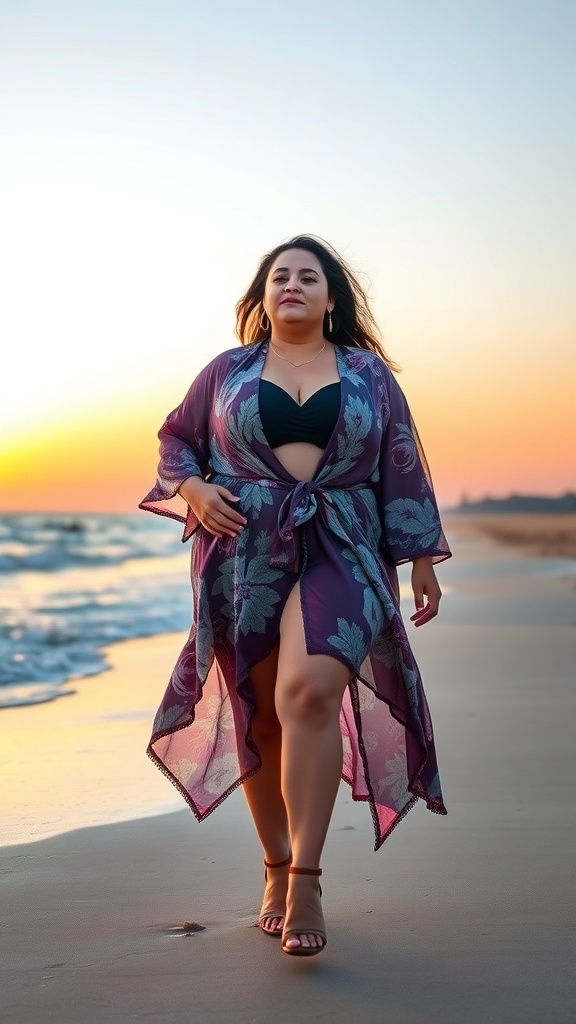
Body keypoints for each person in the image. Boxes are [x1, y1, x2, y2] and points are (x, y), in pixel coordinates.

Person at [139, 234, 451, 957]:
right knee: (261, 712)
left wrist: (420, 559)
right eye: (279, 276)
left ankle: (306, 875)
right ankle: (274, 863)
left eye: (308, 276)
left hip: (345, 543)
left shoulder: (369, 375)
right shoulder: (227, 371)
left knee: (308, 692)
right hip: (244, 551)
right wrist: (192, 486)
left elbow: (401, 460)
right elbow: (175, 441)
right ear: (263, 296)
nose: (292, 285)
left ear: (331, 297)